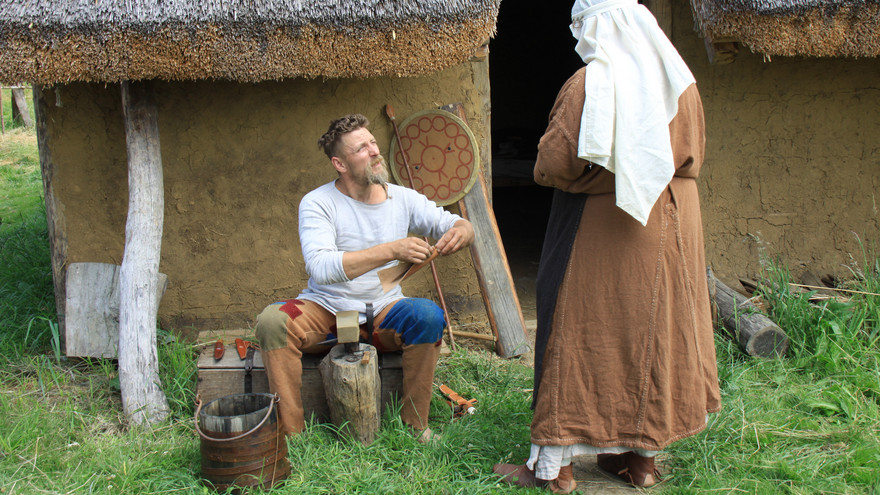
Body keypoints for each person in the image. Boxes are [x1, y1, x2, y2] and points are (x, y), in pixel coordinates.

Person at [493, 0, 721, 491]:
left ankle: (558, 470)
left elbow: (554, 163)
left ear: (597, 28)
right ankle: (638, 462)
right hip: (672, 227)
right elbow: (693, 153)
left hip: (600, 231)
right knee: (652, 333)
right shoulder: (678, 81)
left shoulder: (589, 84)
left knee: (578, 333)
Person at [255, 113, 474, 440]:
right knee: (273, 321)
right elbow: (321, 267)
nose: (374, 151)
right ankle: (292, 436)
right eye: (361, 148)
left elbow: (450, 222)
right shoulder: (318, 202)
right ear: (339, 164)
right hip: (326, 311)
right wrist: (391, 250)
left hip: (384, 311)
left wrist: (463, 230)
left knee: (428, 316)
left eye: (373, 143)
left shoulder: (403, 199)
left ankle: (415, 427)